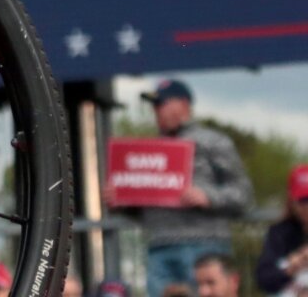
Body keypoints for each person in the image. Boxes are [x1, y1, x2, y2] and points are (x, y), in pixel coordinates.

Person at [128, 81, 255, 297]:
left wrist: (208, 197)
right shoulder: (150, 149)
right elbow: (145, 207)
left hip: (205, 245)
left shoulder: (213, 142)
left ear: (184, 105)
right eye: (155, 106)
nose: (157, 110)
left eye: (162, 103)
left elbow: (244, 194)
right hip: (159, 247)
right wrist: (123, 200)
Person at [255, 164, 308, 294]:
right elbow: (264, 279)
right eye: (302, 200)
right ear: (292, 201)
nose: (307, 206)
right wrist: (292, 266)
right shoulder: (279, 233)